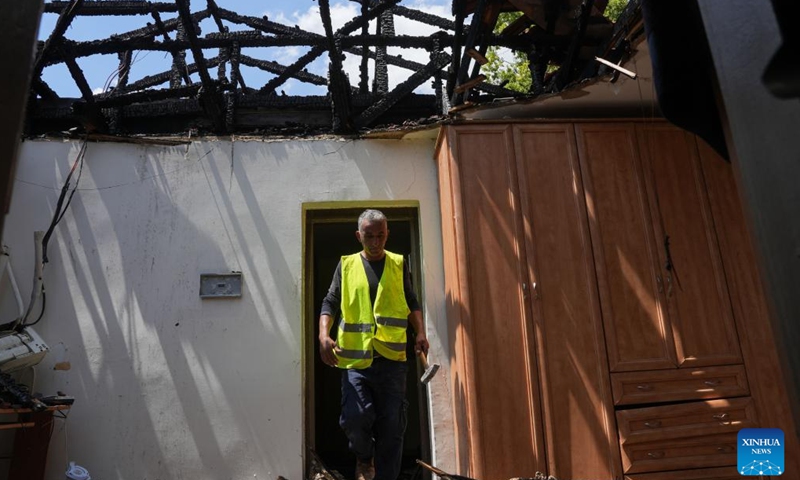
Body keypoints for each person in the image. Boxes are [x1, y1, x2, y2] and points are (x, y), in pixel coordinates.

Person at [318, 209, 429, 480]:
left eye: (381, 235)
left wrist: (421, 332)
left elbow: (411, 301)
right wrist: (323, 336)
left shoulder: (398, 264)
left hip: (392, 362)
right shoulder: (346, 265)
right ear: (359, 236)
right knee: (356, 418)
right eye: (369, 236)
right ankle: (364, 457)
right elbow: (330, 301)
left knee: (392, 428)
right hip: (355, 361)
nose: (376, 241)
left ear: (387, 233)